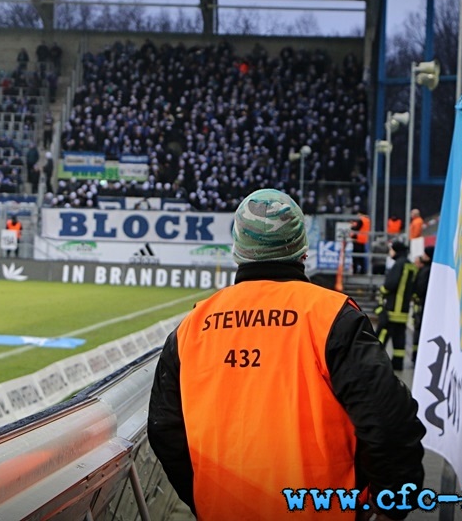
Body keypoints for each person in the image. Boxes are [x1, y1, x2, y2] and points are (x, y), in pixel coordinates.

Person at [149, 189, 425, 520]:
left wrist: (203, 499)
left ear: (237, 250)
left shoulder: (191, 328)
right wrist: (390, 506)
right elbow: (388, 421)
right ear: (302, 250)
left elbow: (165, 431)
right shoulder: (331, 316)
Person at [374, 239, 416, 371]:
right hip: (403, 311)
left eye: (392, 249)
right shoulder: (411, 266)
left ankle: (375, 361)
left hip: (392, 309)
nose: (390, 252)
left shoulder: (398, 265)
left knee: (382, 335)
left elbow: (390, 284)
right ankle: (398, 363)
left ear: (396, 251)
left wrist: (381, 291)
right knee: (399, 338)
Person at [411, 245, 435, 363]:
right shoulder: (428, 269)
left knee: (419, 330)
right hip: (423, 305)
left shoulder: (426, 271)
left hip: (422, 306)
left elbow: (420, 288)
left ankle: (417, 357)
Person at [350, 208, 370, 274]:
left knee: (355, 257)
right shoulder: (367, 220)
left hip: (357, 240)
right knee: (362, 258)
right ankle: (363, 271)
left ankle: (355, 271)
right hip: (364, 240)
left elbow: (356, 229)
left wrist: (352, 227)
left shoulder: (361, 220)